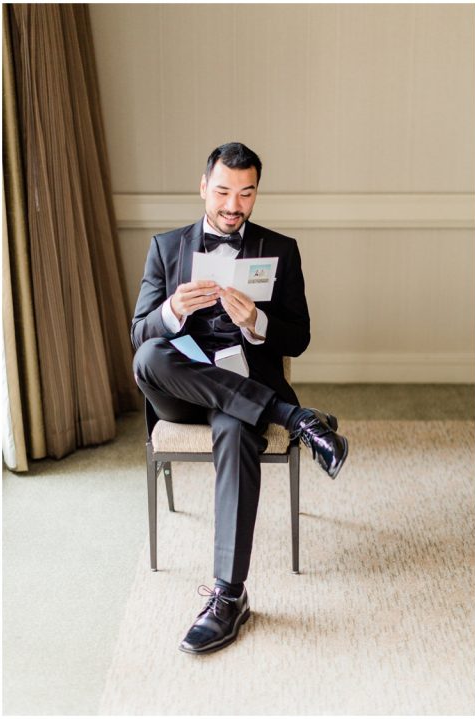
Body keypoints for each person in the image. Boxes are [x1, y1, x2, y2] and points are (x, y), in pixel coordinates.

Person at [130, 142, 348, 655]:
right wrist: (171, 312)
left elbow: (298, 338)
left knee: (234, 427)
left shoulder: (281, 249)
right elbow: (140, 334)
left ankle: (229, 596)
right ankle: (296, 418)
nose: (233, 205)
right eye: (223, 191)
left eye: (246, 194)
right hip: (180, 389)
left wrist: (257, 322)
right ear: (204, 186)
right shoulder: (166, 247)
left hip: (242, 386)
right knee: (150, 357)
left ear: (256, 194)